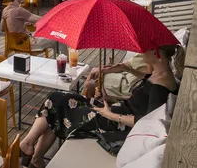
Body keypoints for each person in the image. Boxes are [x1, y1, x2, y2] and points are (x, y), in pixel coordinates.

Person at [19, 45, 184, 168]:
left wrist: (110, 114)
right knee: (58, 98)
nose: (142, 52)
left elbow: (146, 122)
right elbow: (145, 84)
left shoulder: (161, 86)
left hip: (114, 125)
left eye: (146, 50)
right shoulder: (161, 75)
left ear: (156, 53)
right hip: (115, 110)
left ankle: (30, 150)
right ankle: (35, 157)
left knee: (55, 104)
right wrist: (124, 69)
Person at [1, 0, 66, 56]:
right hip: (27, 42)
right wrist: (54, 19)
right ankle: (64, 63)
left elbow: (2, 28)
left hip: (15, 42)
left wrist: (22, 22)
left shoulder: (5, 10)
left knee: (45, 33)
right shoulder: (19, 10)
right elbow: (40, 19)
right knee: (60, 38)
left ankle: (59, 61)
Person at [83, 54, 152, 101]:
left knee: (88, 86)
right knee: (94, 71)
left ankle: (84, 102)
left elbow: (148, 79)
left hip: (124, 88)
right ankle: (84, 100)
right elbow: (124, 66)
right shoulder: (142, 54)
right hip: (120, 77)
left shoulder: (152, 61)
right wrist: (103, 70)